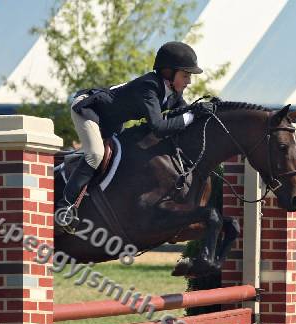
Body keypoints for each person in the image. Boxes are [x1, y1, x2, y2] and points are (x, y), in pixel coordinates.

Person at [55, 41, 215, 230]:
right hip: (90, 109)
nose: (189, 81)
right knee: (95, 155)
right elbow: (159, 127)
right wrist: (192, 115)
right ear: (168, 72)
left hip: (112, 121)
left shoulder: (173, 93)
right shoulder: (149, 87)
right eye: (186, 75)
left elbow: (182, 116)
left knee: (123, 156)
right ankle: (64, 209)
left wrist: (202, 111)